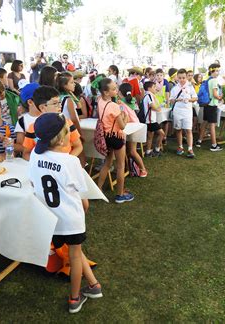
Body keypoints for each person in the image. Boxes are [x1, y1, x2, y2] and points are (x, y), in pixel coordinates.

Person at [28, 113, 102, 313]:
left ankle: (94, 285)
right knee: (75, 254)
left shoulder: (35, 154)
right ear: (62, 138)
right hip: (70, 218)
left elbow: (35, 182)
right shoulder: (70, 161)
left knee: (75, 251)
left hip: (50, 218)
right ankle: (75, 298)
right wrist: (84, 209)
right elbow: (82, 195)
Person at [96, 78, 134, 203]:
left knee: (107, 163)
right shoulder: (113, 106)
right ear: (106, 92)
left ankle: (98, 190)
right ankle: (120, 195)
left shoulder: (100, 100)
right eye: (113, 89)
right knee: (120, 166)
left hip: (105, 136)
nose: (116, 90)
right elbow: (122, 126)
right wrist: (126, 116)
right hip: (116, 137)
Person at [22, 85, 83, 161]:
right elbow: (26, 153)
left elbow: (78, 146)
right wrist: (39, 163)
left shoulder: (67, 123)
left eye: (60, 102)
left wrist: (67, 161)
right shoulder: (33, 128)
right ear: (43, 108)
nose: (60, 106)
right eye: (55, 103)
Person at [117, 84, 148, 176]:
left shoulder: (120, 103)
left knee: (132, 151)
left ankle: (143, 169)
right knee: (128, 151)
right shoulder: (132, 99)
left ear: (119, 92)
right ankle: (130, 169)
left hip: (132, 127)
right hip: (133, 126)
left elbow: (124, 116)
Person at [196, 63, 224, 151]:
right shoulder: (214, 81)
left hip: (207, 104)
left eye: (218, 71)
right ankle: (214, 145)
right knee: (212, 125)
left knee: (204, 123)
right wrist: (220, 97)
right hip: (212, 105)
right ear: (212, 71)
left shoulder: (208, 80)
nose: (218, 72)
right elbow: (215, 95)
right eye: (216, 71)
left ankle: (199, 141)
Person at [170, 69, 197, 158]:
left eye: (183, 78)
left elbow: (195, 98)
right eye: (180, 78)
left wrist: (188, 99)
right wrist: (175, 100)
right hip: (177, 111)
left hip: (187, 111)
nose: (182, 80)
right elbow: (171, 100)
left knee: (188, 130)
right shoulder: (175, 88)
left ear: (186, 77)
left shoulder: (190, 87)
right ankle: (180, 146)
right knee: (178, 129)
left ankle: (190, 149)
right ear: (177, 78)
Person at [142, 81, 164, 157]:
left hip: (149, 120)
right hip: (151, 120)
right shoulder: (149, 95)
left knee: (150, 136)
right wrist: (158, 109)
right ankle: (157, 149)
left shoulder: (147, 95)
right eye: (154, 87)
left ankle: (148, 151)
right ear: (149, 88)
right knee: (162, 134)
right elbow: (152, 106)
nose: (155, 89)